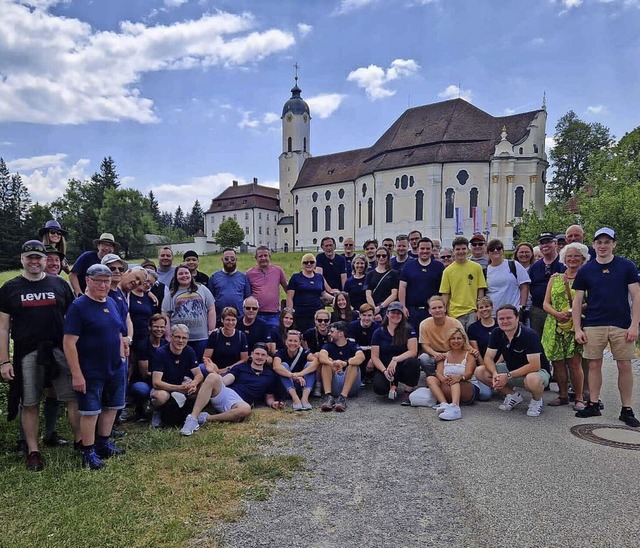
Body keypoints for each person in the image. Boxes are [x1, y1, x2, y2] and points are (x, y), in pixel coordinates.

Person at [0, 240, 79, 471]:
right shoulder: (10, 288)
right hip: (27, 351)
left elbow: (73, 321)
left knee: (72, 397)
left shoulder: (59, 284)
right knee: (30, 401)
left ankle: (80, 442)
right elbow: (3, 327)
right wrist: (4, 360)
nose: (34, 261)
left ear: (46, 260)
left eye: (38, 257)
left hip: (59, 348)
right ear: (22, 260)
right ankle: (33, 451)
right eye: (30, 258)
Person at [572, 227, 640, 426]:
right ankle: (593, 403)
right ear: (593, 245)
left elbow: (636, 296)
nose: (603, 246)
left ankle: (626, 409)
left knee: (625, 365)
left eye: (607, 242)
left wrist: (635, 324)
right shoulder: (586, 269)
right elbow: (577, 301)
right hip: (594, 323)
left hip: (621, 324)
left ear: (614, 244)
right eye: (599, 242)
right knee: (594, 364)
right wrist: (577, 328)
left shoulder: (626, 266)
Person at [63, 264, 127, 469]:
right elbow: (69, 342)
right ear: (87, 280)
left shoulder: (111, 301)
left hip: (114, 366)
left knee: (110, 407)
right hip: (90, 369)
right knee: (90, 412)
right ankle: (88, 451)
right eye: (98, 280)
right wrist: (76, 374)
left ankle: (103, 443)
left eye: (106, 281)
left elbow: (118, 329)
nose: (103, 284)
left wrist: (121, 355)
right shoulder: (79, 306)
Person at [180, 343, 284, 433]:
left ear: (267, 358)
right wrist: (213, 371)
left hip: (240, 403)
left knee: (246, 409)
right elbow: (224, 381)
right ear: (251, 354)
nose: (260, 357)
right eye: (257, 354)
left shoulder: (270, 375)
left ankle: (206, 418)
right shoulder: (241, 368)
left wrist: (273, 403)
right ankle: (193, 418)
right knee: (212, 377)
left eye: (263, 355)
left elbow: (269, 397)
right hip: (227, 394)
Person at [475, 304, 551, 417]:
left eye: (509, 318)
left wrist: (508, 376)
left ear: (517, 318)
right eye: (501, 318)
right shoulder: (497, 332)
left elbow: (534, 365)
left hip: (536, 372)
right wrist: (495, 374)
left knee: (532, 379)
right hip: (511, 369)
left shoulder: (529, 335)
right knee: (480, 371)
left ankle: (536, 401)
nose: (505, 321)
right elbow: (488, 357)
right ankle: (513, 396)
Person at [541, 242, 589, 411]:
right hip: (554, 324)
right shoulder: (555, 278)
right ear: (564, 259)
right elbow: (545, 303)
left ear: (583, 258)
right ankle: (562, 395)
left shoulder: (587, 278)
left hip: (575, 324)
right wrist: (556, 314)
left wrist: (570, 311)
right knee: (558, 362)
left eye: (577, 256)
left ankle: (578, 397)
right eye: (569, 256)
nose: (573, 259)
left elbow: (590, 302)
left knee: (575, 363)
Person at [150, 324, 203, 428]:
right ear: (171, 337)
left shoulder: (189, 351)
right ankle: (157, 412)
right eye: (178, 337)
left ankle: (193, 415)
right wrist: (179, 388)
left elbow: (199, 374)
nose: (181, 341)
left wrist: (194, 383)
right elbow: (156, 382)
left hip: (182, 385)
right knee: (160, 396)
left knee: (202, 388)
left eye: (184, 338)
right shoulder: (161, 353)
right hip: (165, 387)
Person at [162, 263, 216, 361]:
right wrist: (168, 334)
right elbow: (165, 315)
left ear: (191, 275)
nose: (184, 276)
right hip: (179, 338)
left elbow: (211, 308)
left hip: (201, 337)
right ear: (176, 277)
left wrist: (211, 330)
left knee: (201, 363)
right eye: (180, 274)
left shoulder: (202, 289)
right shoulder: (171, 294)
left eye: (186, 273)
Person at [370, 301, 420, 405]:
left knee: (413, 362)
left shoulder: (409, 330)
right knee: (379, 389)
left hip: (402, 365)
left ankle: (408, 391)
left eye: (398, 313)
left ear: (402, 315)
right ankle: (393, 384)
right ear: (387, 314)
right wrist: (384, 371)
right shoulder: (378, 332)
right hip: (385, 366)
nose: (395, 315)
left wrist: (395, 359)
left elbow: (413, 351)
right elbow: (374, 356)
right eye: (393, 312)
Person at [426, 327, 477, 421]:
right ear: (448, 341)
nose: (456, 341)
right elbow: (439, 373)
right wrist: (443, 379)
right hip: (448, 385)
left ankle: (455, 408)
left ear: (464, 340)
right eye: (453, 338)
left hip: (467, 387)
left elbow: (469, 374)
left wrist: (459, 377)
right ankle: (444, 404)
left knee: (454, 379)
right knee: (430, 379)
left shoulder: (469, 355)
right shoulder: (444, 356)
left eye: (459, 338)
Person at [439, 236, 487, 330]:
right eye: (458, 249)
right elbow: (445, 294)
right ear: (453, 251)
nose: (461, 251)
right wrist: (444, 311)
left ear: (468, 249)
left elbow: (480, 289)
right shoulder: (448, 271)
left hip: (472, 311)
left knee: (472, 339)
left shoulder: (476, 267)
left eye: (463, 249)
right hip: (454, 312)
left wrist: (479, 309)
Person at [318, 321, 365, 412]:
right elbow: (321, 356)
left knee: (353, 365)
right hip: (335, 382)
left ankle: (343, 398)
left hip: (350, 385)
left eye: (332, 332)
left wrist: (345, 363)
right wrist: (332, 363)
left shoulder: (353, 345)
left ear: (340, 334)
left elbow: (361, 357)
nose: (329, 334)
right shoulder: (328, 345)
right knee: (326, 363)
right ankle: (328, 397)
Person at [398, 237, 444, 328]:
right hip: (412, 311)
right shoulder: (408, 266)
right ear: (417, 250)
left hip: (432, 311)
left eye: (428, 248)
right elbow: (402, 287)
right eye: (422, 248)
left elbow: (443, 290)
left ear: (432, 250)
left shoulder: (439, 267)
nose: (425, 251)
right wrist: (403, 307)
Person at [129, 313, 168, 420]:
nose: (159, 329)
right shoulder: (143, 345)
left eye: (162, 327)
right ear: (149, 328)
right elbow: (144, 373)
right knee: (141, 389)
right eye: (156, 326)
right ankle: (140, 409)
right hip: (144, 381)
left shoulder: (166, 344)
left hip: (161, 379)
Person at [528, 232, 566, 337]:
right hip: (538, 310)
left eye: (548, 242)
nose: (545, 246)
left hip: (560, 311)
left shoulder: (564, 263)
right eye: (542, 243)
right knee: (537, 342)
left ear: (555, 244)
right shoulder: (535, 266)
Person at [418, 295, 465, 375]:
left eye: (440, 307)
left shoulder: (455, 323)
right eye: (434, 308)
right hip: (434, 354)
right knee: (423, 358)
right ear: (429, 311)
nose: (437, 310)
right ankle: (432, 376)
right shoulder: (424, 324)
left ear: (445, 309)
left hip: (452, 353)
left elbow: (463, 342)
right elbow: (425, 346)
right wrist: (435, 354)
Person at [272, 330, 318, 410]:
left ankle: (305, 399)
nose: (292, 343)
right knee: (283, 365)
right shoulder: (280, 353)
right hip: (287, 388)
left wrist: (300, 374)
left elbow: (316, 362)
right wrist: (293, 375)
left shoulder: (304, 352)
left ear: (299, 343)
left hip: (302, 385)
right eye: (290, 340)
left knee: (310, 365)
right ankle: (295, 399)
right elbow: (276, 366)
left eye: (295, 341)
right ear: (286, 342)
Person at [286, 253, 332, 332]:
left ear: (315, 263)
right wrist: (290, 312)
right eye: (306, 262)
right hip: (300, 313)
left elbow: (323, 293)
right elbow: (290, 297)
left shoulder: (319, 277)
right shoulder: (296, 277)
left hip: (316, 313)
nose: (309, 264)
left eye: (311, 262)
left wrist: (335, 299)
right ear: (302, 264)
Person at [245, 246, 287, 330]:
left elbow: (287, 288)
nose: (263, 258)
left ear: (269, 257)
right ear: (256, 258)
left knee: (272, 338)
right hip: (256, 313)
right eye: (260, 256)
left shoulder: (278, 271)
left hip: (273, 313)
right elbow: (246, 294)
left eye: (265, 255)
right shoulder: (249, 273)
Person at [485, 238, 530, 315]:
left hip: (513, 312)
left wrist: (522, 307)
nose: (495, 251)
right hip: (492, 315)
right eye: (492, 249)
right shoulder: (484, 271)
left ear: (503, 250)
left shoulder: (514, 265)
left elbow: (524, 287)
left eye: (498, 248)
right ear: (488, 253)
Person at [209, 248, 251, 325]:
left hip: (239, 318)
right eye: (226, 258)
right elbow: (210, 299)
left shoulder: (243, 277)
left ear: (236, 259)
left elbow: (247, 298)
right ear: (222, 259)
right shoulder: (214, 277)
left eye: (232, 258)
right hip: (219, 318)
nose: (229, 261)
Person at [69, 232, 119, 297]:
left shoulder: (115, 263)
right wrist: (79, 293)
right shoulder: (87, 257)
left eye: (110, 246)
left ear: (113, 249)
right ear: (98, 246)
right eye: (104, 245)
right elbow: (72, 275)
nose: (106, 248)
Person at [202, 307, 249, 375]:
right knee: (201, 368)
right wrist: (213, 368)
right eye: (228, 320)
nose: (230, 322)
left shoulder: (241, 336)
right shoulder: (215, 335)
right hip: (215, 369)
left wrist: (228, 369)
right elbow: (206, 356)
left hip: (233, 370)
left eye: (233, 320)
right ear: (222, 320)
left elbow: (244, 359)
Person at [348, 303, 379, 385]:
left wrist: (373, 360)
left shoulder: (377, 327)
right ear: (360, 315)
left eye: (369, 315)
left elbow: (379, 347)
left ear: (373, 316)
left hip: (372, 355)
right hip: (357, 353)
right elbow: (351, 345)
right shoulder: (352, 326)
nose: (366, 318)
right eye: (364, 315)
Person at [365, 246, 399, 321]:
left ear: (388, 257)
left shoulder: (394, 274)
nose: (381, 257)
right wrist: (374, 309)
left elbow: (394, 294)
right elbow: (368, 294)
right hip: (373, 308)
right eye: (378, 256)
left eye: (384, 256)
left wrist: (380, 307)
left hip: (388, 307)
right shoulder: (370, 274)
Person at [467, 296, 498, 366]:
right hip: (482, 365)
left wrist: (497, 365)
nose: (484, 309)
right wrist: (484, 366)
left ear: (492, 308)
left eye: (487, 306)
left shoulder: (500, 324)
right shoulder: (472, 328)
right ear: (477, 310)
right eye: (481, 307)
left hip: (501, 363)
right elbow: (476, 351)